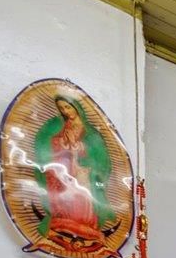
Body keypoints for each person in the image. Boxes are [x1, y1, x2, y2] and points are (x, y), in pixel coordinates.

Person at [33, 95, 116, 249]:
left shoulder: (90, 132)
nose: (66, 111)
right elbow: (55, 144)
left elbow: (98, 156)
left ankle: (86, 225)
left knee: (82, 196)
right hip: (64, 167)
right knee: (66, 197)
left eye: (68, 107)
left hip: (82, 170)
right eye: (62, 108)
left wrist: (81, 149)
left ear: (76, 107)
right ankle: (67, 223)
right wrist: (62, 144)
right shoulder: (64, 126)